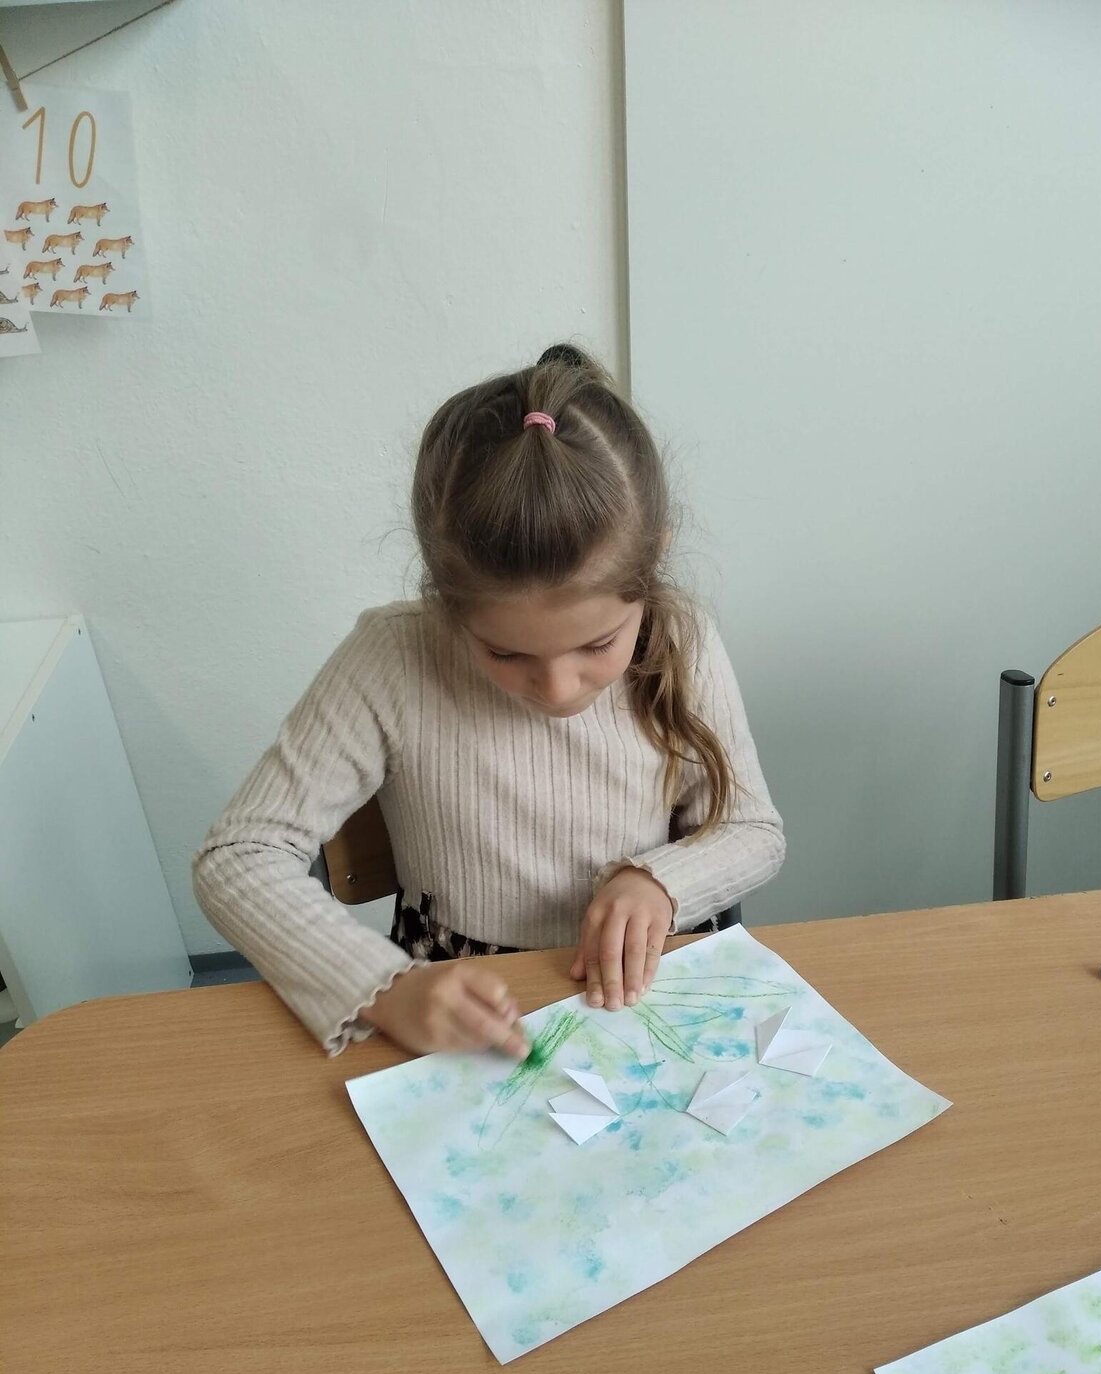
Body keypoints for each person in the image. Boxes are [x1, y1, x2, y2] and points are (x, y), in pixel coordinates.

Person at [193, 345, 784, 1059]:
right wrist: (383, 987)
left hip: (648, 983)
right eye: (506, 654)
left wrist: (661, 882)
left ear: (653, 559)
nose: (557, 689)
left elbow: (752, 829)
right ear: (447, 600)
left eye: (598, 644)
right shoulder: (391, 657)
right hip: (462, 1003)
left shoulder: (682, 640)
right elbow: (239, 855)